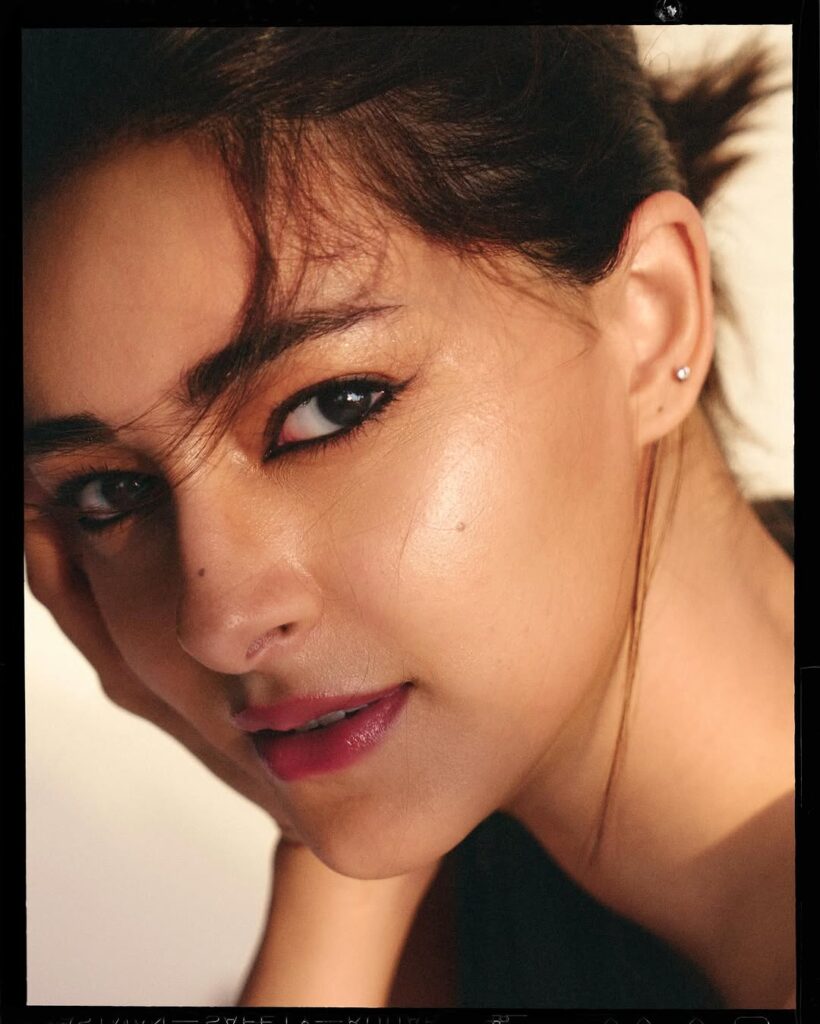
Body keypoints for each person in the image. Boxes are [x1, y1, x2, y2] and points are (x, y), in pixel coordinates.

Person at [22, 26, 794, 1009]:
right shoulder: (488, 900)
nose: (215, 622)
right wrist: (332, 869)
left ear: (650, 318)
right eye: (109, 494)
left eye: (329, 408)